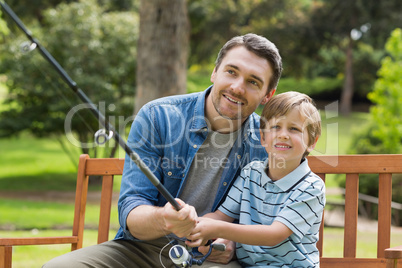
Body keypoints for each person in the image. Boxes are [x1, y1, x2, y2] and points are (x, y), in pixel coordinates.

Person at [43, 33, 282, 268]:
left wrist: (232, 240)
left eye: (253, 82)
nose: (237, 87)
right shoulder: (158, 116)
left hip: (211, 258)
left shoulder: (269, 143)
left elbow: (274, 224)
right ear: (214, 72)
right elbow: (131, 210)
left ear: (267, 96)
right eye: (231, 71)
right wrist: (165, 219)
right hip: (141, 250)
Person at [186, 91, 326, 267]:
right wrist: (197, 224)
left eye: (294, 129)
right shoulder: (251, 173)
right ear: (263, 137)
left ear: (312, 142)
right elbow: (222, 216)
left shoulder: (311, 187)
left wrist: (217, 228)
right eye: (275, 127)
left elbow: (274, 235)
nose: (283, 134)